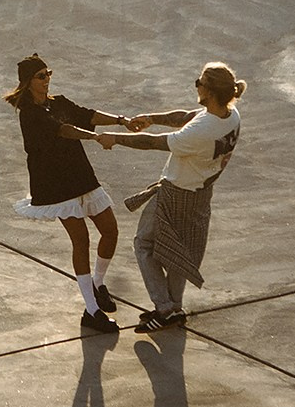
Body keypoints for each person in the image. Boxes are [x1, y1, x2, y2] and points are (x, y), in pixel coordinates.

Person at [94, 61, 245, 332]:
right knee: (180, 252)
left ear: (210, 92)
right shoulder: (230, 116)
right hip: (201, 194)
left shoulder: (200, 132)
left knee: (144, 244)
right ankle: (174, 308)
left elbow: (154, 142)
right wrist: (151, 118)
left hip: (177, 193)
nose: (196, 86)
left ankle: (164, 308)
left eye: (199, 83)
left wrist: (114, 138)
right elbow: (187, 116)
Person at [5, 52, 140, 334]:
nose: (47, 80)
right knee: (81, 240)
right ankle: (91, 311)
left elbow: (88, 115)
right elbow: (64, 130)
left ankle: (98, 284)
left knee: (110, 230)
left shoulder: (59, 102)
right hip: (55, 184)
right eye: (41, 76)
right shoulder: (29, 114)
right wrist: (95, 137)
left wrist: (122, 120)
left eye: (48, 74)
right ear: (28, 82)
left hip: (80, 175)